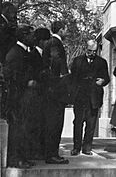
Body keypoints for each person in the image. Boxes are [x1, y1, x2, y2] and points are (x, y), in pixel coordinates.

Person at [70, 40, 110, 156]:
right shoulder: (77, 61)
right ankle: (76, 147)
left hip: (94, 97)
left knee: (91, 123)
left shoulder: (101, 62)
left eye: (94, 51)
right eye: (89, 51)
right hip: (80, 97)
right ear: (85, 49)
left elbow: (106, 78)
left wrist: (103, 81)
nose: (92, 53)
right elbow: (72, 78)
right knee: (78, 123)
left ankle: (87, 147)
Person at [3, 24, 35, 168]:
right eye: (31, 35)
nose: (33, 37)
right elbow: (11, 76)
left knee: (23, 128)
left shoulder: (23, 52)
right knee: (17, 129)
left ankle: (22, 157)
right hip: (17, 99)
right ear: (23, 36)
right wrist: (27, 82)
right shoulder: (16, 53)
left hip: (23, 98)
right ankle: (16, 159)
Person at [42, 20, 69, 164]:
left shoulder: (52, 42)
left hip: (53, 90)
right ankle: (52, 155)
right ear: (60, 30)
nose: (66, 32)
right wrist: (65, 78)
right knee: (55, 123)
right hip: (55, 91)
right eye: (65, 30)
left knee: (55, 123)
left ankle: (52, 153)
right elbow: (55, 63)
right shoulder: (54, 43)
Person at [24, 28, 51, 160]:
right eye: (47, 41)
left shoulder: (43, 56)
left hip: (41, 96)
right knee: (34, 125)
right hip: (35, 96)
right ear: (42, 41)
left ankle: (38, 152)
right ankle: (33, 153)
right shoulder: (33, 56)